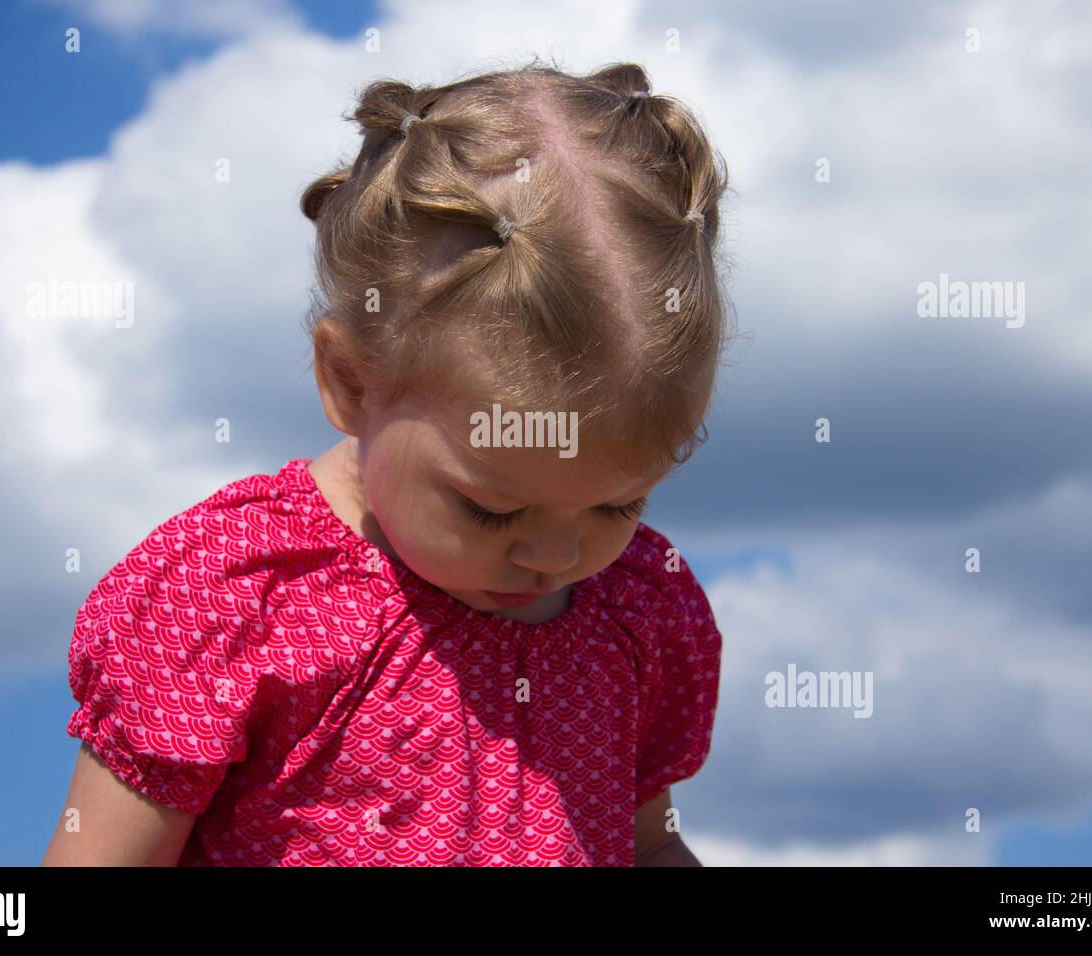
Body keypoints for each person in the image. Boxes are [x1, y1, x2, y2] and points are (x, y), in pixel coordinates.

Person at [43, 58, 731, 867]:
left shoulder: (633, 612)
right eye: (493, 508)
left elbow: (650, 845)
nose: (554, 557)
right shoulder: (236, 602)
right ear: (350, 383)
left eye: (619, 505)